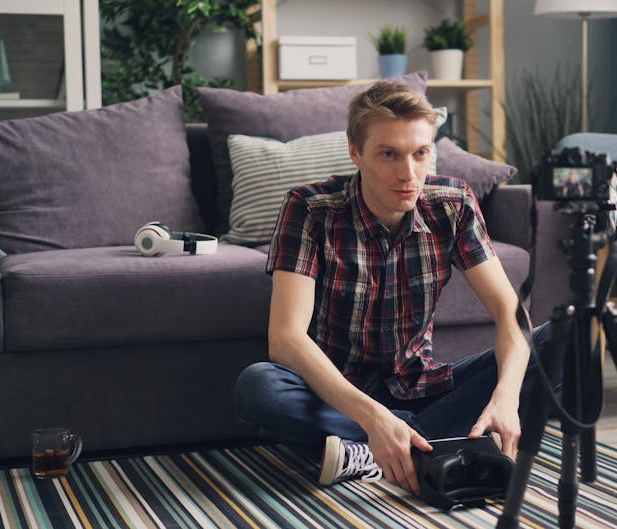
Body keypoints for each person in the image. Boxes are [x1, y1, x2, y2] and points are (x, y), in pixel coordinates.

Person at [235, 80, 550, 496]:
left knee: (567, 336)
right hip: (340, 396)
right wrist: (374, 418)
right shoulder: (310, 208)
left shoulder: (452, 205)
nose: (409, 174)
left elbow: (511, 315)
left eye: (421, 154)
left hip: (424, 389)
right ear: (355, 151)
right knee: (259, 386)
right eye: (389, 155)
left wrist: (506, 400)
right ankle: (428, 444)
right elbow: (286, 340)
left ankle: (368, 453)